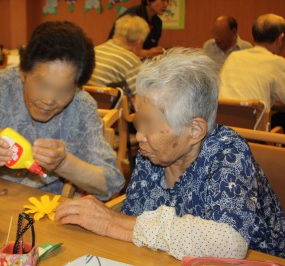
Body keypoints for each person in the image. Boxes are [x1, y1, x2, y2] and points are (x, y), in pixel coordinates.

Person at [55, 48, 285, 259]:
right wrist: (117, 223)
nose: (140, 135)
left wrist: (112, 222)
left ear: (194, 130)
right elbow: (135, 221)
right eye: (138, 120)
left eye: (149, 123)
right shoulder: (153, 153)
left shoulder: (229, 153)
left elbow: (229, 244)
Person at [0, 21, 124, 200]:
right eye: (42, 84)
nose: (49, 100)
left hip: (36, 209)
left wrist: (63, 163)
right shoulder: (1, 84)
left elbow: (110, 183)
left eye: (64, 90)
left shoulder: (82, 106)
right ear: (23, 72)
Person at [219, 14, 285, 130]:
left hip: (222, 128)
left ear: (254, 37)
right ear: (280, 39)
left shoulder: (233, 57)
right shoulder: (277, 62)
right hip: (254, 134)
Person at [88, 15, 149, 97]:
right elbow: (142, 98)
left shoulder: (93, 51)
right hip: (114, 108)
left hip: (89, 106)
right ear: (140, 41)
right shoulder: (131, 61)